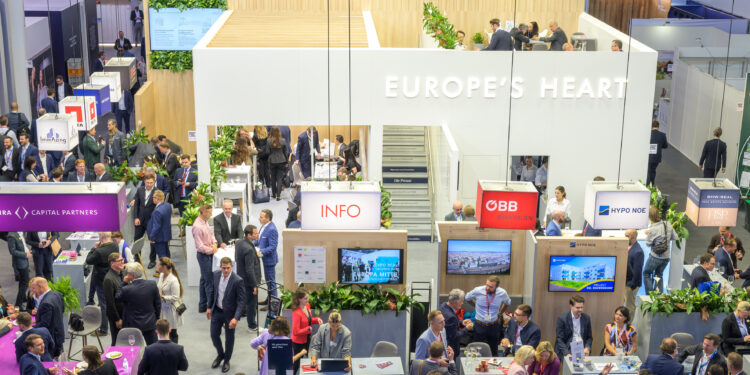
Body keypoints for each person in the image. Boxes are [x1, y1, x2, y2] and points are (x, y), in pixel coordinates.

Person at [207, 257, 246, 373]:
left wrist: (236, 318)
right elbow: (212, 292)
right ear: (220, 267)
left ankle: (226, 360)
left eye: (228, 268)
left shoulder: (237, 280)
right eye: (224, 268)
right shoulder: (215, 275)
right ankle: (220, 354)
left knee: (229, 338)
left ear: (231, 267)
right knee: (214, 335)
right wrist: (209, 307)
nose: (226, 270)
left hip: (230, 314)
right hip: (217, 311)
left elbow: (241, 301)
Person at [465, 276, 511, 356]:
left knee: (494, 351)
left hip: (494, 325)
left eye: (491, 287)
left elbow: (507, 303)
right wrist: (476, 305)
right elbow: (467, 298)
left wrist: (500, 313)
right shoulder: (478, 290)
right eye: (487, 285)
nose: (487, 288)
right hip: (480, 325)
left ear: (497, 287)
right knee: (476, 350)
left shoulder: (502, 293)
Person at [117, 262, 161, 344]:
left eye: (127, 273)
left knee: (133, 350)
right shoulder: (152, 284)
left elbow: (117, 298)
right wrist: (156, 318)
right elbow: (158, 304)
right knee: (153, 347)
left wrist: (124, 282)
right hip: (150, 323)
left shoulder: (126, 289)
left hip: (133, 326)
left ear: (132, 275)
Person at [86, 232, 119, 335]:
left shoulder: (98, 252)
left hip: (100, 280)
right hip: (111, 276)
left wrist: (94, 248)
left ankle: (104, 329)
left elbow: (88, 260)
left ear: (101, 237)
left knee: (103, 304)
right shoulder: (115, 245)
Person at [643, 206, 677, 293]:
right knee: (659, 275)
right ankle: (659, 296)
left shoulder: (653, 229)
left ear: (650, 217)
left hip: (655, 257)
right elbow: (675, 237)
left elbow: (647, 243)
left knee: (647, 273)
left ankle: (650, 295)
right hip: (666, 257)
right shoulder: (668, 224)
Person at [30, 277, 65, 358]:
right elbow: (62, 310)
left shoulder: (46, 303)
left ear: (40, 287)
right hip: (59, 333)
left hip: (51, 338)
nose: (33, 291)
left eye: (34, 288)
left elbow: (44, 324)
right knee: (60, 357)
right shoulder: (57, 294)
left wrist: (29, 328)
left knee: (52, 361)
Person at [236, 225, 262, 330]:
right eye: (255, 233)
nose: (257, 235)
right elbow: (250, 270)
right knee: (251, 304)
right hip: (249, 281)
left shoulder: (239, 243)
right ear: (249, 235)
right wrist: (255, 284)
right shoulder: (249, 249)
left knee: (242, 301)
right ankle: (252, 326)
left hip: (241, 278)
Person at [193, 204, 218, 313]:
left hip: (208, 254)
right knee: (209, 282)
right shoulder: (197, 226)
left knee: (204, 279)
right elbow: (200, 246)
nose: (211, 214)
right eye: (209, 212)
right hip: (204, 256)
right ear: (203, 212)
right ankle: (210, 307)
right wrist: (211, 250)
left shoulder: (205, 222)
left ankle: (202, 305)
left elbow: (211, 234)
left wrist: (215, 243)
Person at [291, 288, 322, 373]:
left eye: (307, 298)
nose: (307, 300)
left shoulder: (307, 305)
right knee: (295, 365)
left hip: (307, 339)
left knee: (312, 359)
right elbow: (295, 331)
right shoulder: (296, 312)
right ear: (299, 299)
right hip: (298, 343)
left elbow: (309, 320)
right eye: (305, 298)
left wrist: (316, 320)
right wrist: (307, 329)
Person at [554, 295, 593, 359]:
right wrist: (567, 353)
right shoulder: (562, 319)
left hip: (582, 348)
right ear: (571, 306)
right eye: (578, 308)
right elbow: (559, 339)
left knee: (582, 367)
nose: (580, 310)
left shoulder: (586, 318)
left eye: (582, 307)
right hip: (568, 348)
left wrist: (587, 347)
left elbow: (589, 337)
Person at [256, 209, 279, 309]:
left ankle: (272, 304)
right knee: (268, 281)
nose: (259, 218)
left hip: (269, 260)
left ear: (268, 218)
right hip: (265, 260)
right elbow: (260, 240)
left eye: (261, 217)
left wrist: (261, 252)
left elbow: (273, 246)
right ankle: (268, 299)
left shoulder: (272, 229)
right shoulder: (264, 226)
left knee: (271, 282)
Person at [157, 257, 184, 343]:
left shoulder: (173, 280)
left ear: (164, 266)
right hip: (163, 307)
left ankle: (175, 350)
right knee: (163, 331)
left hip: (171, 310)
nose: (157, 267)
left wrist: (162, 297)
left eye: (158, 265)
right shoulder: (161, 275)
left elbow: (176, 297)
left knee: (172, 333)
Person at [440, 288, 473, 355]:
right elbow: (455, 336)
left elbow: (450, 325)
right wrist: (466, 329)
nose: (462, 303)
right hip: (450, 350)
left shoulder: (443, 306)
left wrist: (461, 322)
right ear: (455, 302)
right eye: (461, 301)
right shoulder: (450, 317)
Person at [103, 253, 124, 346]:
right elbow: (110, 302)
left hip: (123, 313)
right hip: (116, 316)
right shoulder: (109, 279)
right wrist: (117, 319)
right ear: (112, 263)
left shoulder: (120, 274)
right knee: (117, 341)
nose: (122, 262)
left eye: (122, 259)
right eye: (119, 261)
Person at [6, 232, 31, 311]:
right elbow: (12, 251)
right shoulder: (11, 235)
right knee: (25, 282)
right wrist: (25, 255)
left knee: (22, 281)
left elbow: (23, 244)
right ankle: (18, 305)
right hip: (20, 263)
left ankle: (23, 298)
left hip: (24, 261)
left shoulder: (21, 232)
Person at [147, 190, 172, 264]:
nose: (152, 198)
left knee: (162, 256)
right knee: (167, 253)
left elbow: (156, 226)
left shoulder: (157, 211)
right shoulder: (167, 205)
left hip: (159, 237)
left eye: (153, 197)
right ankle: (169, 267)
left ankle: (165, 272)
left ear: (157, 199)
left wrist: (151, 237)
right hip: (165, 234)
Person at [625, 229, 645, 312]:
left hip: (631, 285)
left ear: (634, 238)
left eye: (627, 236)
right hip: (626, 282)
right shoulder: (628, 247)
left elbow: (637, 271)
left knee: (630, 306)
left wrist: (631, 286)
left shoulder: (638, 251)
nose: (625, 238)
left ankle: (629, 324)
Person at [268, 126, 290, 200]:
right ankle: (278, 195)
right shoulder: (283, 140)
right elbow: (285, 152)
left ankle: (273, 194)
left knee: (273, 178)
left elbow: (267, 152)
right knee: (279, 178)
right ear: (279, 132)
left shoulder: (268, 141)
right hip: (281, 161)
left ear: (271, 132)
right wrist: (287, 162)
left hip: (272, 161)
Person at [133, 174, 157, 242]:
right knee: (137, 240)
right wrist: (136, 217)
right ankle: (137, 253)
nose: (149, 184)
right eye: (147, 182)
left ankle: (152, 253)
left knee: (152, 241)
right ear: (144, 182)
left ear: (154, 182)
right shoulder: (140, 190)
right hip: (139, 220)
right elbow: (136, 205)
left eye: (151, 183)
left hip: (151, 220)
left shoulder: (157, 191)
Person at [648, 120, 668, 186]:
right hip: (657, 157)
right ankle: (652, 183)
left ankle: (647, 184)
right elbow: (665, 146)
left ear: (651, 126)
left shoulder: (648, 133)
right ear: (658, 127)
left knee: (648, 170)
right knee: (653, 170)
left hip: (648, 156)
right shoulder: (662, 135)